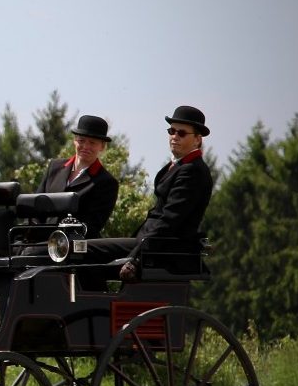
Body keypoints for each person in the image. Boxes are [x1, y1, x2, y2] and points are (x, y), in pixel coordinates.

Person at [83, 105, 213, 281]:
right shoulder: (178, 167)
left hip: (163, 249)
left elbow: (169, 221)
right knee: (80, 250)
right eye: (171, 131)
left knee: (85, 250)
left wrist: (136, 256)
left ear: (198, 139)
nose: (174, 137)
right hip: (150, 243)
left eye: (181, 133)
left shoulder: (193, 171)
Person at [36, 115, 120, 239]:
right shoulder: (54, 167)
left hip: (72, 247)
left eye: (92, 142)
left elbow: (92, 225)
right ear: (74, 140)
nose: (86, 146)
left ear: (102, 146)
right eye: (81, 141)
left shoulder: (106, 182)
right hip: (38, 240)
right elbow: (36, 207)